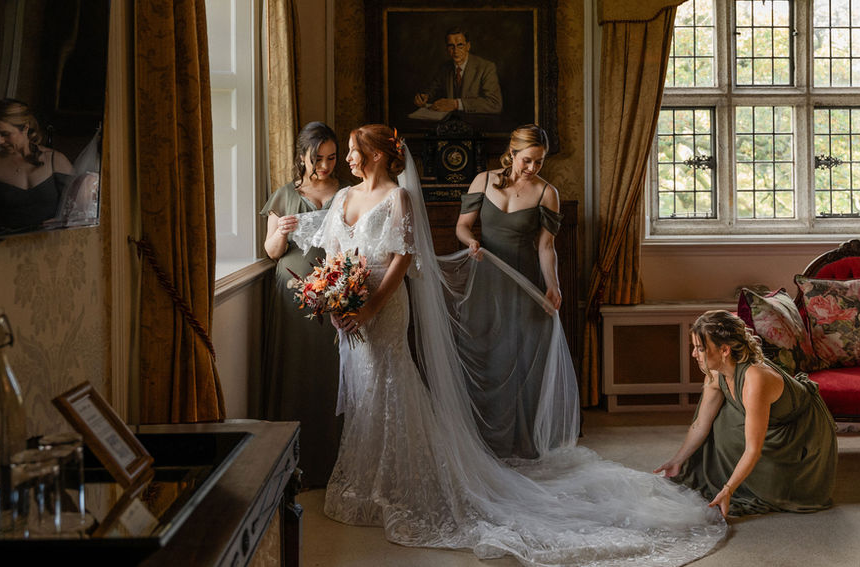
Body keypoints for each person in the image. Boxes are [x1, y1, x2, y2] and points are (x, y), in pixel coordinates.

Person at [285, 123, 726, 566]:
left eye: (353, 151)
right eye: (527, 158)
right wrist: (337, 298)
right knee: (363, 390)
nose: (346, 159)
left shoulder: (401, 197)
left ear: (378, 154)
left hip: (396, 303)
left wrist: (370, 307)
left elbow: (407, 257)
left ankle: (418, 476)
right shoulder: (347, 196)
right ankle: (367, 482)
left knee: (396, 383)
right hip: (362, 302)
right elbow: (337, 254)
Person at [454, 124, 570, 458]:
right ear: (512, 152)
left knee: (520, 362)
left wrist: (553, 285)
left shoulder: (547, 193)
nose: (533, 168)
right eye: (527, 160)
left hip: (524, 284)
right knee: (487, 358)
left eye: (539, 162)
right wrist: (471, 242)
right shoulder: (483, 180)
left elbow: (546, 247)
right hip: (486, 283)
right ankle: (484, 442)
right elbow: (462, 227)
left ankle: (519, 443)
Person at [655, 310, 838, 517]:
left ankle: (761, 480)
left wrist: (728, 489)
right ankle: (726, 474)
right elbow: (700, 424)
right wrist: (677, 461)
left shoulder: (756, 379)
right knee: (718, 419)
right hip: (773, 420)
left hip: (800, 432)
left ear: (725, 350)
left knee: (768, 479)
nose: (694, 354)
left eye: (700, 348)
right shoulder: (715, 372)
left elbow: (753, 449)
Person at [259, 121, 346, 487]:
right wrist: (281, 232)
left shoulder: (347, 193)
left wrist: (344, 282)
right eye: (317, 159)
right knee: (296, 371)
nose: (324, 166)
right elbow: (271, 252)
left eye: (331, 158)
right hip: (292, 292)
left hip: (335, 291)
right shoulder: (285, 195)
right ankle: (293, 464)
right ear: (302, 157)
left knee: (332, 374)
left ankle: (331, 461)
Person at [0, 99, 73, 233]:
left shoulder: (56, 161)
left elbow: (79, 212)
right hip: (6, 243)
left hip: (52, 242)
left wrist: (63, 221)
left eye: (5, 134)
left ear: (25, 127)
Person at [413, 27, 503, 114]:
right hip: (449, 121)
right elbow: (432, 89)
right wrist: (425, 97)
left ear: (468, 46)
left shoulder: (486, 68)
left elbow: (495, 104)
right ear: (447, 48)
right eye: (451, 46)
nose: (455, 51)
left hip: (475, 121)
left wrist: (456, 104)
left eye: (460, 45)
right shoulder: (444, 68)